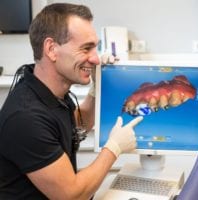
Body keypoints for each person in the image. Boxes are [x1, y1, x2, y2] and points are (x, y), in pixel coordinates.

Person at [0, 3, 143, 199]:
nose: (95, 59)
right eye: (86, 49)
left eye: (95, 48)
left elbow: (78, 124)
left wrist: (96, 87)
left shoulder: (49, 92)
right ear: (51, 49)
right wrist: (114, 148)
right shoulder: (25, 117)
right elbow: (71, 195)